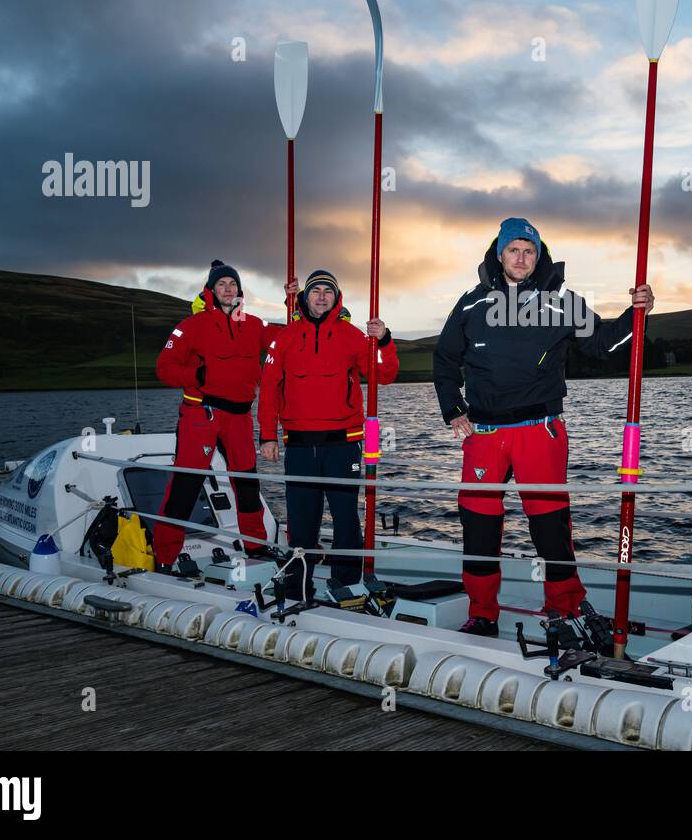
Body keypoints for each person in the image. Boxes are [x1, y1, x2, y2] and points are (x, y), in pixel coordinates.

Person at [433, 217, 654, 636]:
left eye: (529, 251)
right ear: (499, 254)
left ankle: (565, 608)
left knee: (550, 525)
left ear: (539, 257)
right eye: (513, 250)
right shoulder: (469, 304)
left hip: (541, 430)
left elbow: (604, 344)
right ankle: (482, 613)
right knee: (479, 525)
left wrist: (637, 313)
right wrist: (453, 409)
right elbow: (444, 361)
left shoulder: (562, 302)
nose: (521, 258)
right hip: (484, 434)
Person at [258, 269, 399, 602]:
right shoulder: (286, 337)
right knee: (301, 521)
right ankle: (296, 587)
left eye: (328, 291)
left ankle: (345, 584)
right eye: (315, 290)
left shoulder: (352, 336)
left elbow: (385, 375)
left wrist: (384, 340)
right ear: (305, 297)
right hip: (300, 445)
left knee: (346, 519)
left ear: (337, 298)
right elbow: (268, 389)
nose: (322, 296)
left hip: (343, 444)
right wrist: (267, 436)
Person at [154, 260, 281, 570]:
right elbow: (164, 368)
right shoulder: (191, 326)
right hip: (202, 414)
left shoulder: (254, 325)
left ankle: (255, 546)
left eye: (233, 284)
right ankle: (165, 556)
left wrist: (295, 301)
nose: (228, 289)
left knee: (247, 484)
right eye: (222, 284)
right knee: (186, 485)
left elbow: (287, 339)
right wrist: (197, 374)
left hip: (239, 417)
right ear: (211, 290)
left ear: (239, 290)